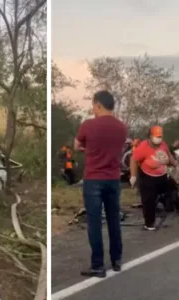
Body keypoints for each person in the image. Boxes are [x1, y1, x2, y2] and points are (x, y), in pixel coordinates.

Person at [75, 90, 127, 278]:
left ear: (98, 105)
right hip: (113, 179)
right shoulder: (122, 127)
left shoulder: (88, 125)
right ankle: (117, 260)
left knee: (95, 223)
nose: (93, 110)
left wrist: (88, 148)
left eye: (93, 106)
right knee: (114, 220)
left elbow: (77, 145)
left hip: (94, 179)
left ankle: (97, 265)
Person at [130, 125, 178, 231]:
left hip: (162, 175)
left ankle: (168, 206)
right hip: (147, 177)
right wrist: (133, 176)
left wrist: (175, 164)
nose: (159, 139)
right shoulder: (143, 147)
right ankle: (149, 223)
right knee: (149, 201)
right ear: (150, 136)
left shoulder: (163, 144)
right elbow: (133, 160)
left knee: (171, 188)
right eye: (157, 136)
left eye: (160, 136)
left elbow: (169, 155)